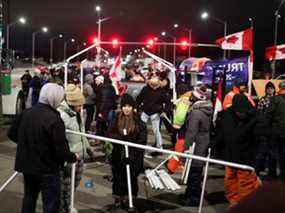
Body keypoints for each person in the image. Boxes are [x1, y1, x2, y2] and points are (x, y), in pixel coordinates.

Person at [7, 83, 79, 213]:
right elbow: (60, 150)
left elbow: (11, 134)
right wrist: (73, 157)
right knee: (50, 204)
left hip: (27, 166)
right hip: (47, 169)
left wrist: (26, 144)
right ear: (54, 98)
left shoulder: (26, 113)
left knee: (29, 199)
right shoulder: (54, 119)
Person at [215, 94, 261, 208]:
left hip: (246, 157)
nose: (240, 114)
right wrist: (214, 145)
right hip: (230, 155)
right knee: (230, 181)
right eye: (238, 112)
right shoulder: (227, 116)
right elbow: (222, 134)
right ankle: (234, 203)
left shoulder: (255, 118)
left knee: (246, 183)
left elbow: (260, 139)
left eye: (242, 112)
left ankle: (244, 205)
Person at [57, 84, 94, 213]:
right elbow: (59, 140)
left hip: (80, 156)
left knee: (73, 186)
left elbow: (81, 132)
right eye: (79, 105)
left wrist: (88, 148)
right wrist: (67, 156)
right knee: (65, 188)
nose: (80, 108)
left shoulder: (77, 114)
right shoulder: (61, 116)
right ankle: (64, 209)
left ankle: (68, 206)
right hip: (69, 159)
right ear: (71, 103)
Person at [107, 94, 147, 210]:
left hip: (132, 157)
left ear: (133, 107)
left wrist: (133, 155)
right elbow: (109, 133)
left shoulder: (138, 121)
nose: (126, 109)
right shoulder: (116, 119)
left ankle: (130, 197)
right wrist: (120, 139)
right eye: (124, 106)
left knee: (131, 178)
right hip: (118, 155)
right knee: (118, 177)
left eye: (129, 106)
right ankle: (118, 198)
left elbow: (142, 141)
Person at [183, 86, 213, 207]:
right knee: (197, 171)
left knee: (194, 172)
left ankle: (193, 198)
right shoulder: (207, 109)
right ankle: (191, 194)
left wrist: (185, 147)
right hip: (203, 143)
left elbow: (191, 132)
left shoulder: (196, 112)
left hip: (197, 145)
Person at [136, 76, 170, 150]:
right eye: (152, 84)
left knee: (156, 130)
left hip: (155, 113)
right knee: (140, 128)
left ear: (158, 83)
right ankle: (139, 143)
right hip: (145, 111)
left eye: (155, 85)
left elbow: (168, 103)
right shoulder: (145, 89)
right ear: (150, 83)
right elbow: (139, 98)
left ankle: (159, 147)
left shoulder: (162, 91)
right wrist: (136, 107)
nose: (153, 86)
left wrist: (164, 111)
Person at [255, 82, 276, 178]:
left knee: (272, 152)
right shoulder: (262, 100)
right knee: (262, 151)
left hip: (274, 129)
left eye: (271, 88)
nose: (270, 90)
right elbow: (259, 114)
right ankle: (258, 170)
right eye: (268, 88)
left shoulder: (277, 100)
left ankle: (271, 172)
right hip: (264, 129)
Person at [266, 81, 285, 181]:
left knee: (273, 153)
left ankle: (272, 173)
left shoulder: (275, 99)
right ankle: (283, 174)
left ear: (279, 88)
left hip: (276, 131)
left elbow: (268, 115)